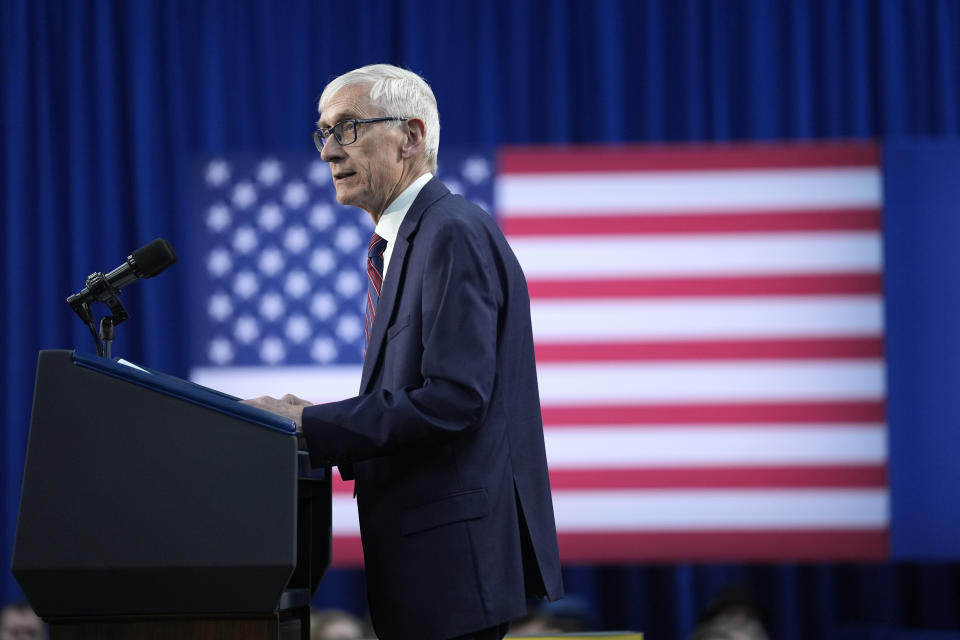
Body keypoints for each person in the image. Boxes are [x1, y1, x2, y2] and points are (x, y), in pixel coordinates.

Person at [244, 64, 563, 640]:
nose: (327, 153)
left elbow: (454, 399)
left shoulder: (450, 231)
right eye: (323, 134)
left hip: (453, 567)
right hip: (429, 568)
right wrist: (311, 416)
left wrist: (311, 424)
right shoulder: (413, 238)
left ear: (410, 136)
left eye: (346, 129)